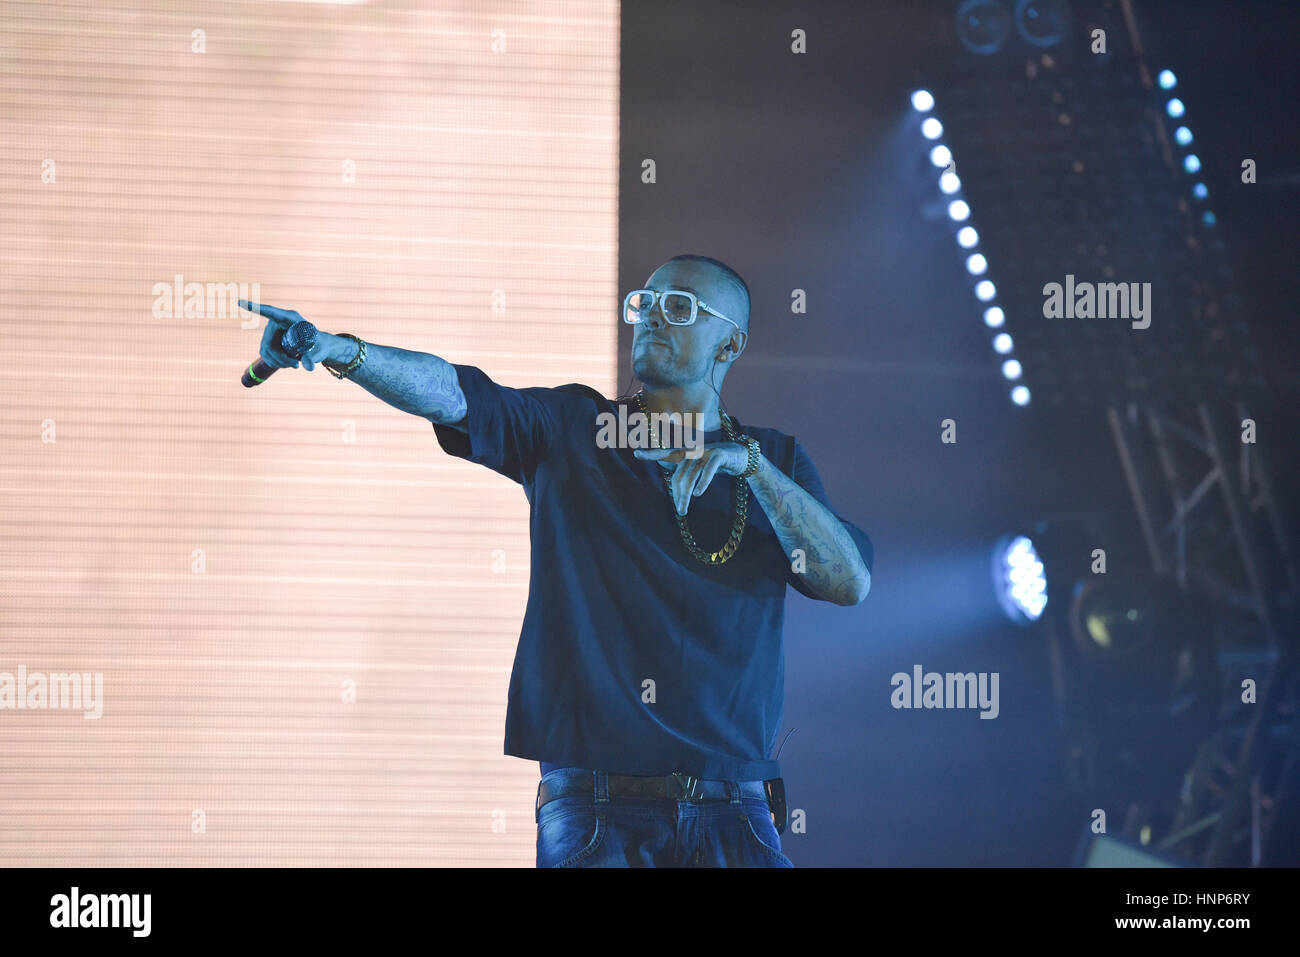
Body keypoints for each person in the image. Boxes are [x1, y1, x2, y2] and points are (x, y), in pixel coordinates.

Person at [240, 253, 873, 867]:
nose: (651, 316)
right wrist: (337, 350)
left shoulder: (774, 459)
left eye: (679, 307)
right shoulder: (574, 427)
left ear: (729, 346)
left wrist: (755, 470)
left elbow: (849, 582)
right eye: (643, 304)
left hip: (737, 806)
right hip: (596, 808)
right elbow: (452, 394)